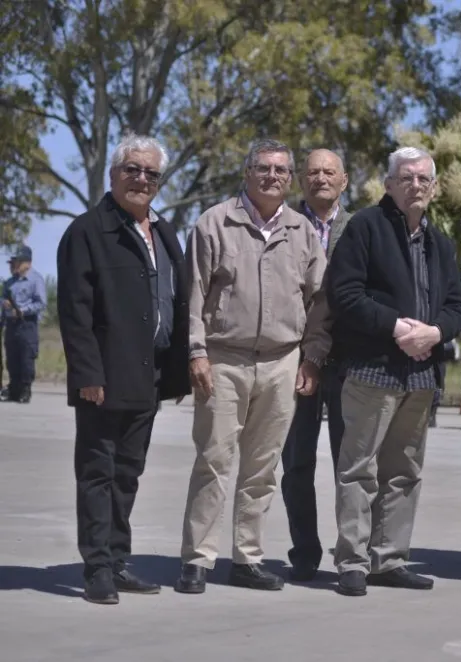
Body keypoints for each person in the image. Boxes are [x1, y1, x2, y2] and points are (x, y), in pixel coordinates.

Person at [175, 138, 328, 594]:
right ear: (247, 173)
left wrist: (313, 355)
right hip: (223, 359)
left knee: (262, 469)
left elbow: (320, 302)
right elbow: (193, 294)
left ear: (290, 179)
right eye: (263, 168)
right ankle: (197, 560)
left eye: (281, 170)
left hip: (282, 362)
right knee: (213, 462)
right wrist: (196, 352)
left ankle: (247, 559)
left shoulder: (302, 231)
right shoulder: (214, 223)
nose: (272, 176)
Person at [325, 146, 461, 597]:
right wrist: (396, 326)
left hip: (421, 377)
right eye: (406, 178)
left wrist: (435, 332)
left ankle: (388, 559)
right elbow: (344, 294)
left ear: (434, 187)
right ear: (388, 184)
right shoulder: (365, 228)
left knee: (404, 472)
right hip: (372, 372)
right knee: (358, 471)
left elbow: (458, 306)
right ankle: (352, 562)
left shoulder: (440, 242)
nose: (416, 185)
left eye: (424, 179)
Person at [57, 134, 192, 605]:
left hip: (148, 373)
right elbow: (74, 311)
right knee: (98, 471)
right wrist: (88, 374)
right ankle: (96, 568)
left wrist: (177, 367)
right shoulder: (87, 231)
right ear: (114, 174)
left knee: (128, 472)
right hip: (105, 376)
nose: (141, 179)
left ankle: (117, 560)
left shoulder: (164, 231)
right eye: (132, 169)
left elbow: (175, 301)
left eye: (151, 173)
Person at [280, 147, 352, 582]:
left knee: (351, 464)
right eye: (312, 172)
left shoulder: (360, 228)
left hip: (348, 362)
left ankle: (352, 555)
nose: (321, 178)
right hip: (294, 361)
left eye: (329, 172)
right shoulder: (283, 224)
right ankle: (304, 551)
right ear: (301, 180)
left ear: (344, 181)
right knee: (296, 462)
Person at [2, 246, 46, 403]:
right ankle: (13, 389)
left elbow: (41, 303)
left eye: (18, 261)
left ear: (28, 263)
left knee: (26, 358)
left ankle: (25, 390)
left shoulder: (36, 280)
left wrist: (22, 310)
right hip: (11, 325)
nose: (14, 264)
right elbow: (3, 301)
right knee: (12, 358)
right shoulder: (9, 282)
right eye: (13, 261)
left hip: (27, 324)